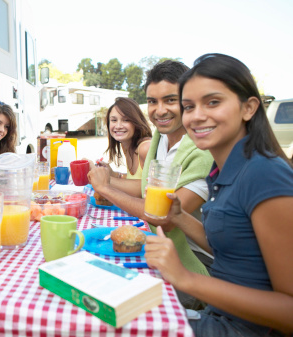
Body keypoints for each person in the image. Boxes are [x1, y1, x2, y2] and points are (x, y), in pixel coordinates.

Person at [145, 53, 293, 336]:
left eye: (213, 102)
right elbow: (235, 250)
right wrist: (180, 217)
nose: (197, 115)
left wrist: (186, 278)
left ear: (249, 108)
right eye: (189, 106)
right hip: (217, 315)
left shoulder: (264, 174)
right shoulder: (223, 169)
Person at [88, 60, 214, 309]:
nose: (160, 110)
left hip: (195, 258)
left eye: (170, 100)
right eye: (153, 101)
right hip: (160, 244)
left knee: (127, 305)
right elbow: (145, 190)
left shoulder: (200, 152)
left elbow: (164, 217)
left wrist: (106, 188)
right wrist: (107, 179)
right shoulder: (160, 138)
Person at [87, 97, 152, 185]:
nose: (118, 126)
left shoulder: (145, 148)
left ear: (136, 122)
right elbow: (133, 180)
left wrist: (103, 179)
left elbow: (146, 187)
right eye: (114, 120)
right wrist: (112, 173)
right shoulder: (126, 145)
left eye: (126, 120)